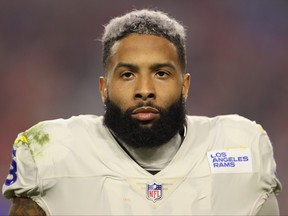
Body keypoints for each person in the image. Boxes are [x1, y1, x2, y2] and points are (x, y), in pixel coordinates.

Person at [2, 9, 281, 215]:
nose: (144, 89)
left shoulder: (242, 147)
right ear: (104, 88)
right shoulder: (49, 151)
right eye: (127, 74)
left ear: (184, 85)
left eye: (161, 73)